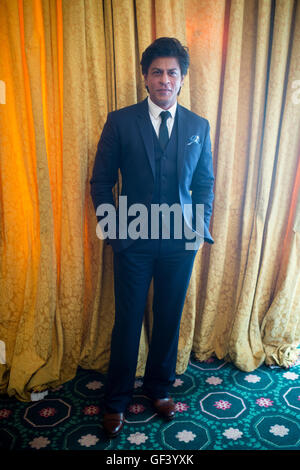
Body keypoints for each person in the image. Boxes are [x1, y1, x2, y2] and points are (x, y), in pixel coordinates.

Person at [90, 37, 214, 438]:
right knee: (127, 321)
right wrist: (114, 230)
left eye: (172, 72)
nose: (164, 79)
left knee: (168, 318)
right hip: (134, 241)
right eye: (157, 72)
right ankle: (116, 400)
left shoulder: (198, 126)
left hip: (180, 244)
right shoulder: (120, 121)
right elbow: (102, 183)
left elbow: (204, 184)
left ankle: (158, 389)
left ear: (182, 78)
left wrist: (198, 229)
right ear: (145, 77)